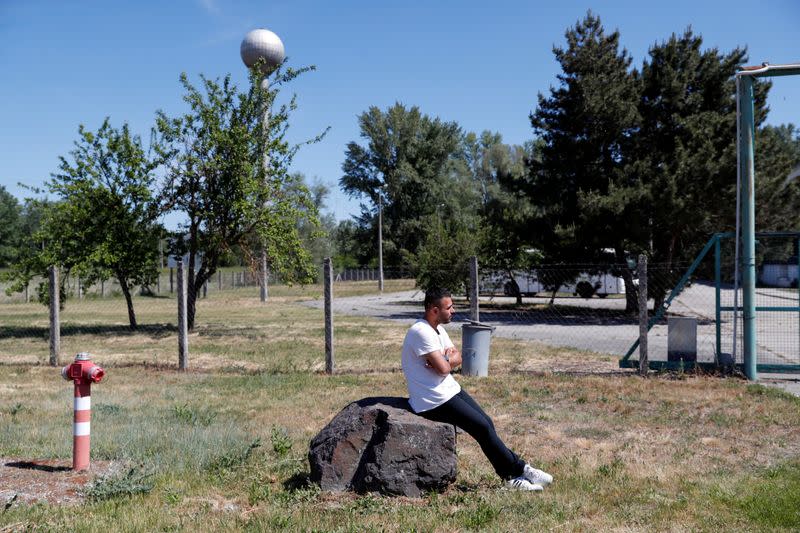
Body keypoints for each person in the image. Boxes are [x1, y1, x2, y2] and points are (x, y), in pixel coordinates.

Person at [401, 287, 553, 491]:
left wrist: (444, 359)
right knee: (481, 427)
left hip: (448, 389)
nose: (453, 310)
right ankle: (513, 475)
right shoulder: (420, 331)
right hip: (431, 400)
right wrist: (446, 362)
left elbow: (457, 357)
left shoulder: (437, 328)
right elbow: (445, 367)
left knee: (486, 423)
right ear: (434, 310)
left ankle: (520, 469)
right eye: (449, 307)